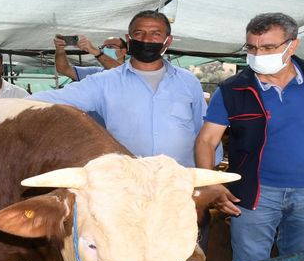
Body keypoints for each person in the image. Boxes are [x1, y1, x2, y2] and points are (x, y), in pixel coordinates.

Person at [194, 12, 304, 261]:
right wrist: (210, 184)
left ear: (292, 45)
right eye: (252, 47)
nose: (258, 54)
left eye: (269, 47)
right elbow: (206, 141)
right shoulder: (232, 90)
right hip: (254, 193)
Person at [32, 10, 215, 168]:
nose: (146, 39)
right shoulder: (104, 82)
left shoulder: (188, 82)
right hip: (126, 185)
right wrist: (7, 105)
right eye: (139, 33)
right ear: (129, 39)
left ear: (168, 41)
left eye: (155, 34)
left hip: (179, 182)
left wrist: (207, 176)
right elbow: (53, 98)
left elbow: (204, 133)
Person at [54, 34, 127, 81]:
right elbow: (63, 69)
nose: (105, 49)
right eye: (103, 47)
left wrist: (93, 50)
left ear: (123, 51)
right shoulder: (95, 73)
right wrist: (60, 49)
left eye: (110, 47)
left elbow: (119, 71)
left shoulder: (132, 70)